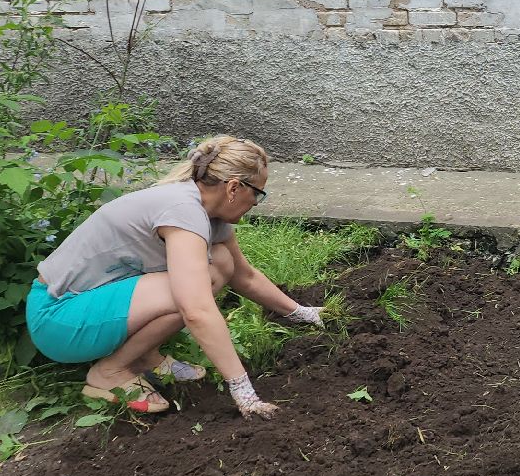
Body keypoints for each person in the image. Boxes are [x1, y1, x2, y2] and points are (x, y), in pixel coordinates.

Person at [24, 135, 323, 417]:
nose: (256, 203)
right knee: (194, 290)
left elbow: (243, 275)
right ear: (234, 188)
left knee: (220, 262)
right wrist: (243, 391)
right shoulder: (183, 212)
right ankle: (109, 373)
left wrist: (301, 313)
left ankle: (142, 357)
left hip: (89, 306)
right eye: (257, 193)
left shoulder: (208, 213)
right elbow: (196, 310)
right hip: (58, 319)